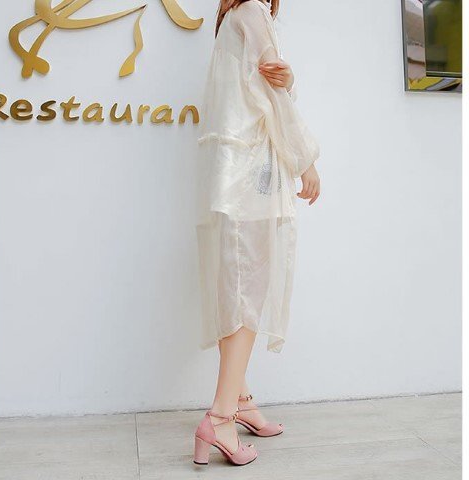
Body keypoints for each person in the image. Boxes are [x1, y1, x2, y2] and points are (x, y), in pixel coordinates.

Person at [194, 0, 320, 466]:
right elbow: (273, 99)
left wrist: (288, 78)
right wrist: (306, 160)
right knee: (249, 292)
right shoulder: (253, 13)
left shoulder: (231, 19)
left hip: (229, 176)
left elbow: (261, 85)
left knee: (236, 289)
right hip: (252, 176)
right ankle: (220, 417)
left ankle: (241, 401)